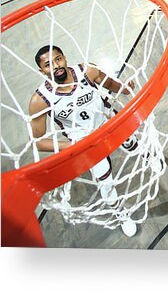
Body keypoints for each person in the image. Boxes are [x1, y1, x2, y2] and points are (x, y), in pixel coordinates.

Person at [28, 45, 139, 237]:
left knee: (133, 144)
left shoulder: (87, 71)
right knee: (106, 183)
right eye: (48, 64)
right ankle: (121, 214)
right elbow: (38, 142)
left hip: (108, 123)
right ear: (41, 71)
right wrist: (71, 147)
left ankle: (146, 155)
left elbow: (116, 87)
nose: (56, 66)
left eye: (58, 59)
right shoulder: (40, 100)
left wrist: (127, 87)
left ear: (64, 57)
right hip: (85, 143)